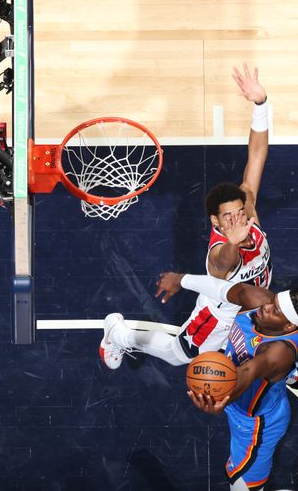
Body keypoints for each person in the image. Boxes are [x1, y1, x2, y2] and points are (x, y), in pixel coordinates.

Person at [100, 64, 273, 369]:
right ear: (215, 223)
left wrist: (261, 104)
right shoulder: (218, 254)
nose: (237, 220)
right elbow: (223, 265)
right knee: (178, 356)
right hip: (219, 316)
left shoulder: (250, 213)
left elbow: (257, 154)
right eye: (228, 217)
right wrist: (234, 244)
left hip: (250, 308)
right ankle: (118, 334)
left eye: (239, 212)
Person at [154, 271, 298, 491]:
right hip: (245, 378)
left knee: (243, 487)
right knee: (266, 373)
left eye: (275, 311)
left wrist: (220, 400)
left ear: (288, 327)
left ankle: (288, 373)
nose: (266, 307)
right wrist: (180, 279)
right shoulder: (259, 300)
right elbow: (219, 288)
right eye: (273, 302)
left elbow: (246, 373)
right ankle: (292, 375)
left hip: (255, 424)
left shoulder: (278, 352)